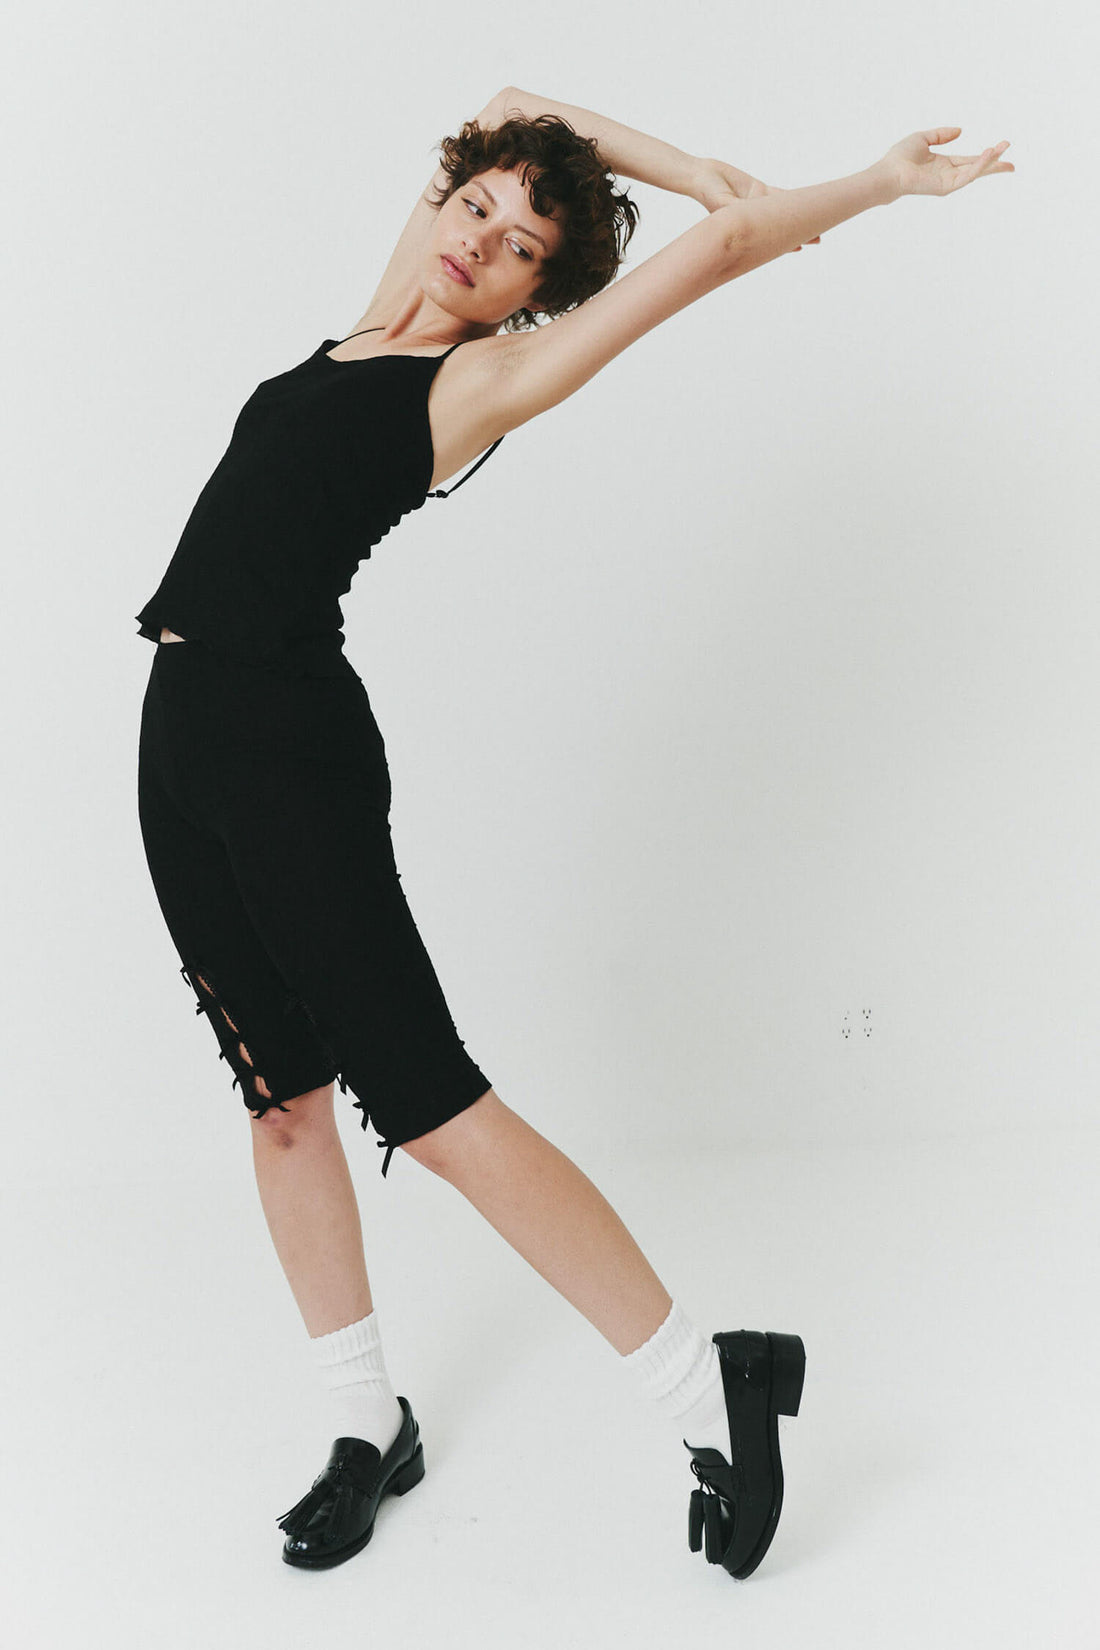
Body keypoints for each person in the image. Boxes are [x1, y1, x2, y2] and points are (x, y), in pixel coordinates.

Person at [134, 87, 1013, 1578]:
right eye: (477, 206)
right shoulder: (376, 316)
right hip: (180, 742)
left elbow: (719, 252)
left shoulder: (476, 382)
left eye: (524, 248)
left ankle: (708, 1384)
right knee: (279, 1099)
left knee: (432, 1104)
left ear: (538, 296)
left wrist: (861, 184)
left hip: (289, 755)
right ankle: (366, 1424)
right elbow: (512, 109)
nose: (484, 240)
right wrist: (675, 162)